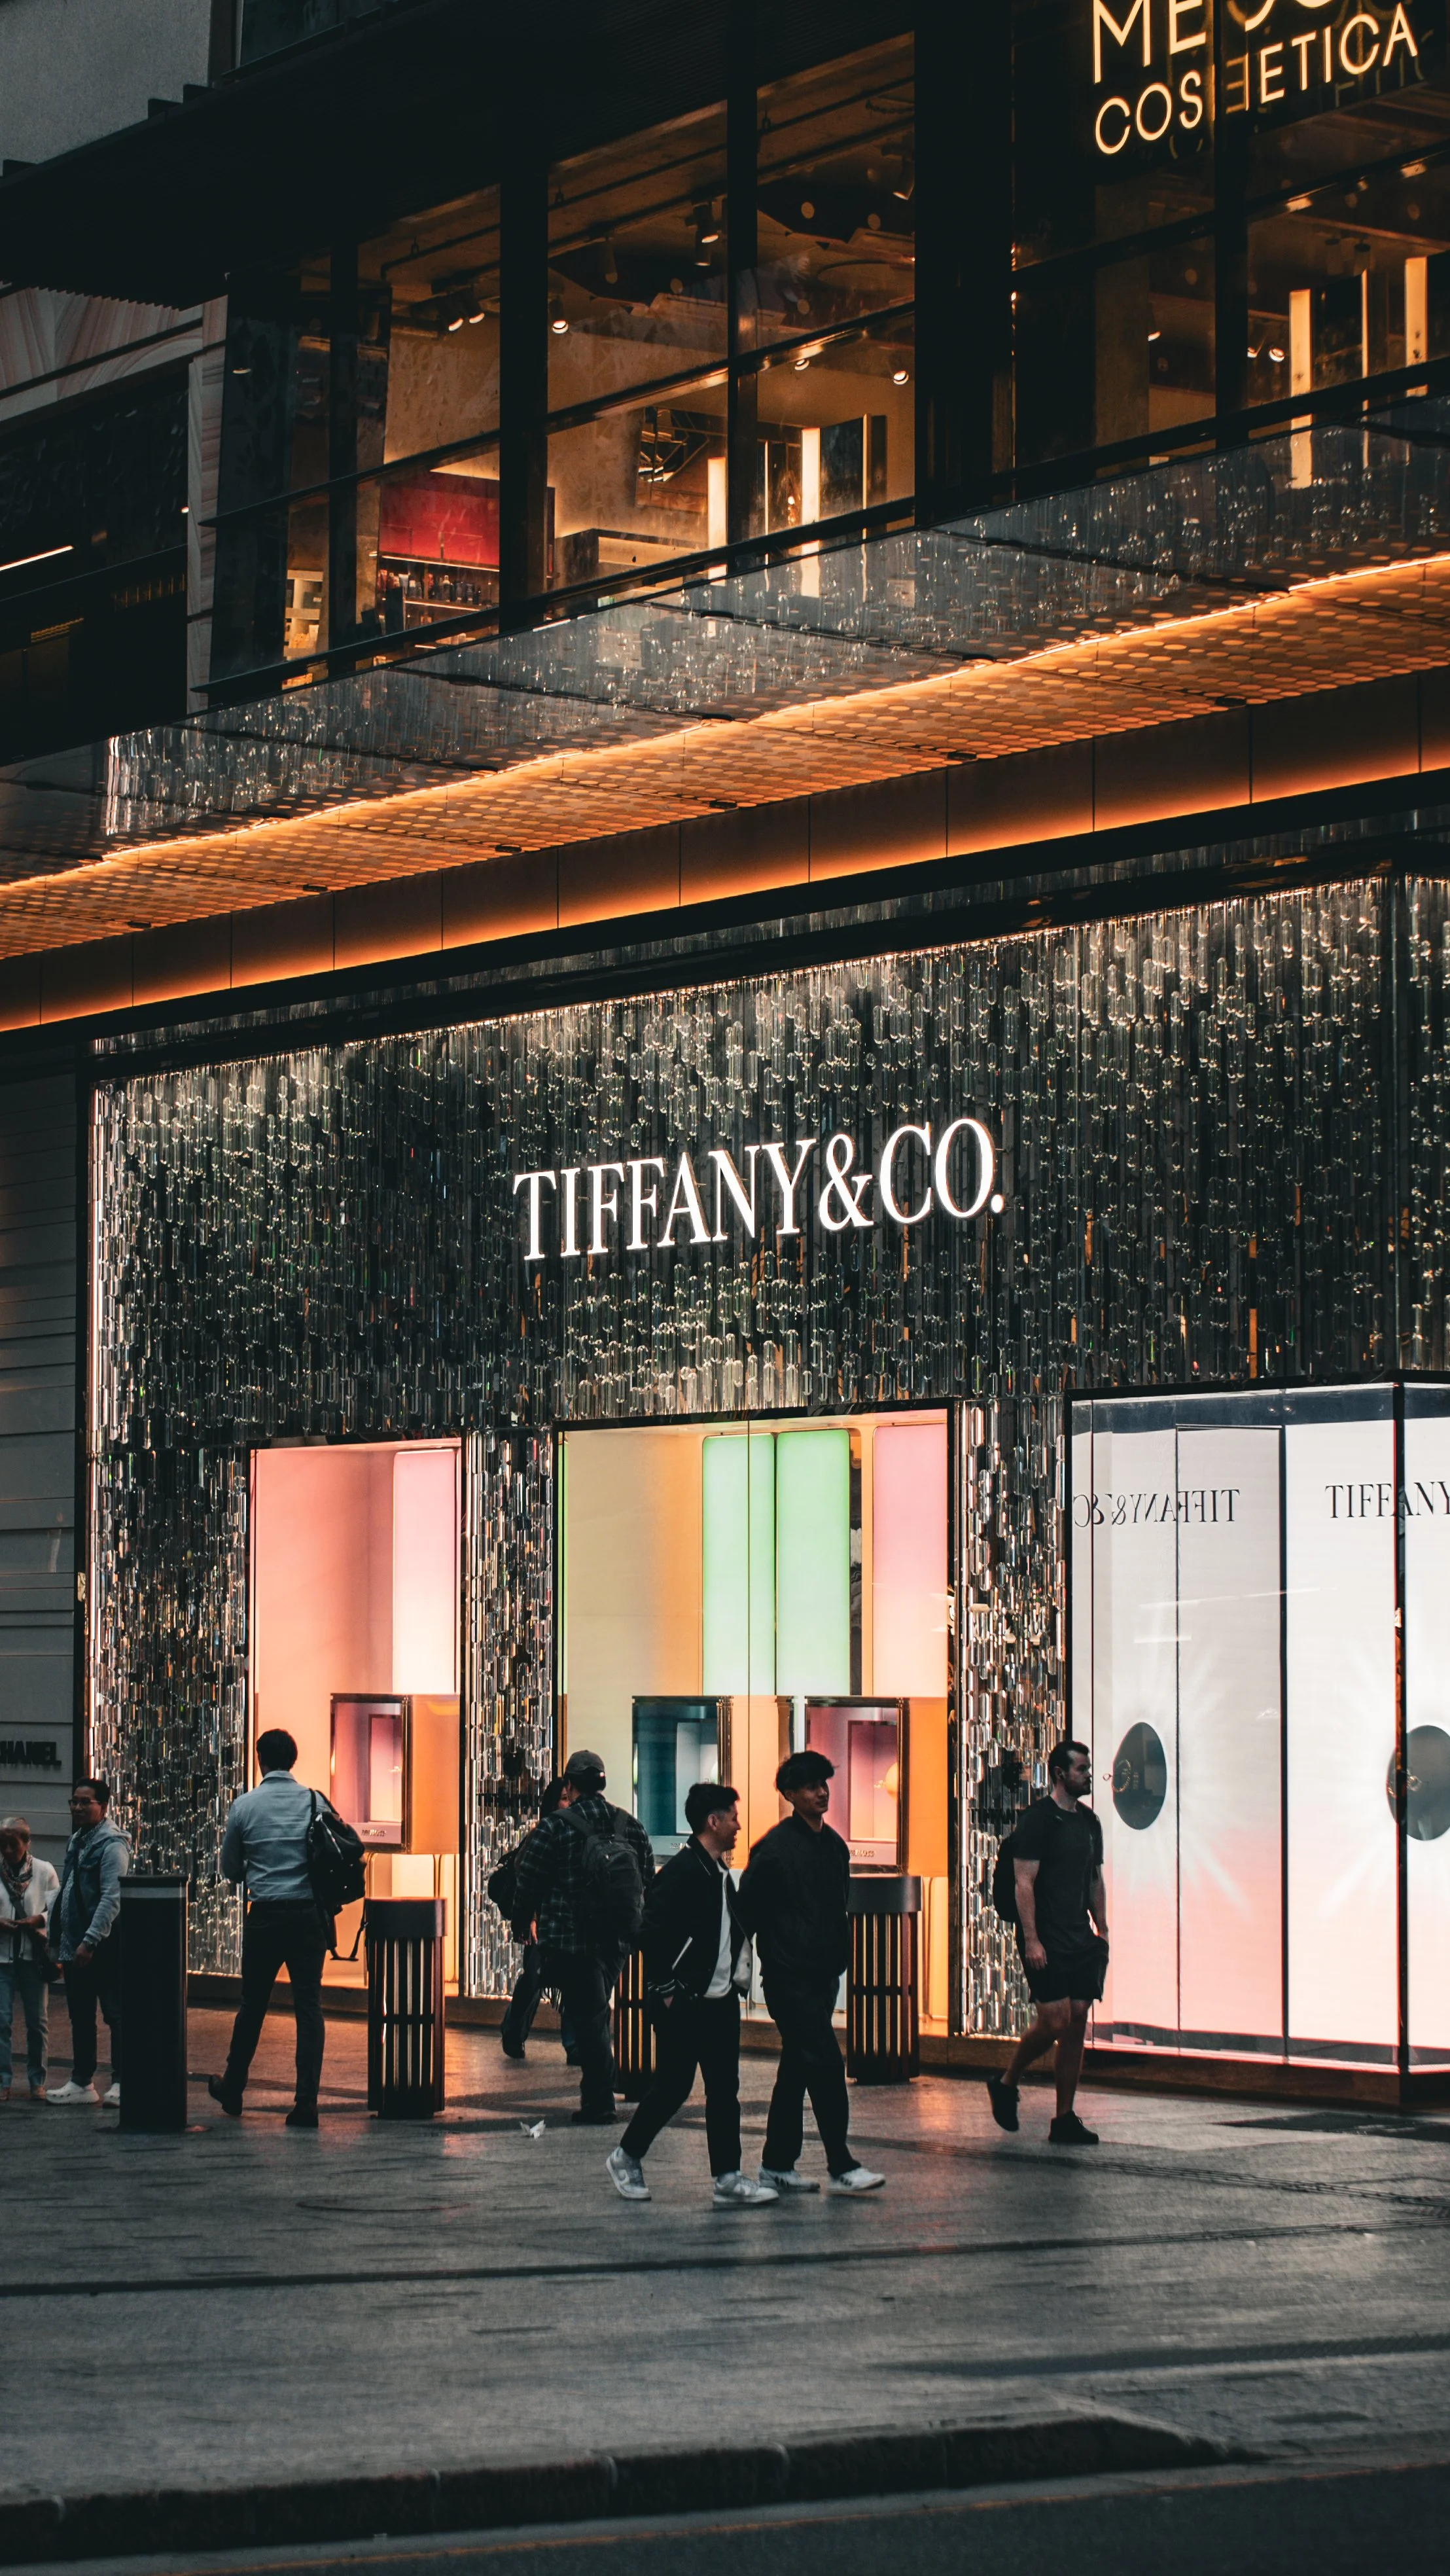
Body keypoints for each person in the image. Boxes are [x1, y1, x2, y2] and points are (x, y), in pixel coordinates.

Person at [607, 1782, 776, 2208]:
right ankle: (626, 2156)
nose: (739, 1825)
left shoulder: (717, 1872)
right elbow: (649, 1933)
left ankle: (728, 2177)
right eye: (732, 1817)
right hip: (686, 2001)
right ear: (713, 1821)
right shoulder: (684, 1872)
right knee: (673, 2087)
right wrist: (666, 1990)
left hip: (719, 2001)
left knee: (724, 2090)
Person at [735, 1748, 884, 2195]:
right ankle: (842, 2162)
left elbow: (836, 1906)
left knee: (797, 2068)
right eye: (811, 1787)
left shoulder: (834, 1846)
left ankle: (778, 2162)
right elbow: (748, 1913)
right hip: (786, 1977)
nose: (822, 1793)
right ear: (790, 1794)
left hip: (822, 1976)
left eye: (825, 1784)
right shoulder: (774, 1851)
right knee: (825, 2061)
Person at [510, 1747, 653, 2127]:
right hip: (618, 1943)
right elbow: (647, 1881)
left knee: (590, 2020)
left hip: (572, 1944)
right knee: (594, 2014)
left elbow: (528, 1881)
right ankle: (600, 2096)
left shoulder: (555, 1826)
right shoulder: (630, 1825)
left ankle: (600, 2102)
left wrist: (522, 1922)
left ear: (569, 1785)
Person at [986, 1737, 1108, 2147]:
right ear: (1061, 1774)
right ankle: (1007, 2082)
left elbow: (1095, 1878)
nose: (1088, 1776)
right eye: (1082, 1770)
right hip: (1046, 1937)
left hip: (1079, 1937)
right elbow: (1024, 1882)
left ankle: (1065, 2118)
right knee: (1055, 2021)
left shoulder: (1090, 1823)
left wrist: (1102, 1928)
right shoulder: (1038, 1820)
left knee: (1075, 2025)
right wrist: (1032, 1940)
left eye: (1088, 1770)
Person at [211, 1726, 334, 2128]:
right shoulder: (315, 1801)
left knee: (253, 2004)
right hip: (308, 1916)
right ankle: (306, 2101)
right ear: (293, 1759)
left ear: (260, 1758)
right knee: (309, 2007)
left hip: (265, 1915)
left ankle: (234, 2085)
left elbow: (230, 1868)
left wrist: (257, 1869)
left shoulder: (245, 1806)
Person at [47, 1778, 130, 2105]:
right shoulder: (77, 1841)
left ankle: (124, 2080)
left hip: (102, 1945)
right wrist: (59, 1939)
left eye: (86, 1802)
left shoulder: (112, 1845)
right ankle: (82, 2081)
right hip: (74, 1944)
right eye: (74, 1802)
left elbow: (112, 1897)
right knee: (80, 2014)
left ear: (104, 1806)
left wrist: (91, 1941)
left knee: (115, 2013)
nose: (78, 1808)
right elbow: (67, 1891)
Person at [496, 1778, 578, 2065]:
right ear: (553, 1803)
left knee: (571, 1983)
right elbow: (526, 1879)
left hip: (567, 1923)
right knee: (533, 1980)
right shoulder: (542, 1834)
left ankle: (573, 2045)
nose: (570, 1804)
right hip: (542, 1922)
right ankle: (513, 2033)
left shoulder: (577, 1834)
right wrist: (528, 1918)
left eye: (571, 1798)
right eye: (565, 1798)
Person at [0, 1815, 60, 2102]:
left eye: (13, 1844)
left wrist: (38, 1920)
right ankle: (3, 2081)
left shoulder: (45, 1871)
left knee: (37, 2023)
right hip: (2, 1957)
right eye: (3, 1845)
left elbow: (58, 1911)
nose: (8, 1851)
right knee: (2, 2021)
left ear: (27, 1843)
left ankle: (37, 2080)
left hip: (32, 1957)